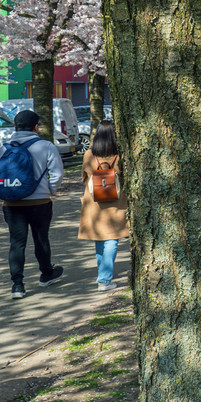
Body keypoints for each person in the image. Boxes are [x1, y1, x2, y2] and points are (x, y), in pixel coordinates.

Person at [0, 109, 65, 299]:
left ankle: (17, 285)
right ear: (36, 127)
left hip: (12, 204)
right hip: (40, 202)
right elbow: (57, 173)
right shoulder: (46, 146)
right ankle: (46, 274)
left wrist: (10, 189)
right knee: (41, 239)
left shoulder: (4, 148)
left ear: (15, 126)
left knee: (16, 243)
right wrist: (49, 190)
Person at [78, 120, 129, 292]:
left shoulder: (89, 155)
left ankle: (103, 276)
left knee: (100, 238)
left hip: (94, 202)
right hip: (115, 202)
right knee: (112, 239)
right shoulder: (120, 154)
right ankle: (104, 279)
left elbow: (84, 178)